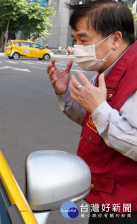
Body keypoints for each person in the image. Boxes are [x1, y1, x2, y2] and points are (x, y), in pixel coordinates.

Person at [46, 1, 137, 223]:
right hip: (106, 198)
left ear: (115, 39)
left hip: (126, 207)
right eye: (75, 40)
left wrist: (98, 108)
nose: (77, 48)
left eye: (84, 40)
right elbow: (95, 121)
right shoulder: (108, 69)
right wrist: (65, 93)